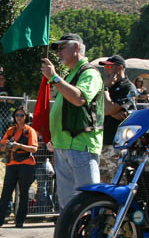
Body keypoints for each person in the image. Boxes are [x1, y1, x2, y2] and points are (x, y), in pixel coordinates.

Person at [40, 33, 104, 211]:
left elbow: (79, 98)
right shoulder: (70, 76)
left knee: (89, 201)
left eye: (62, 47)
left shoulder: (89, 72)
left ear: (76, 48)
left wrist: (54, 78)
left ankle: (95, 236)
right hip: (64, 146)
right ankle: (72, 236)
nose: (58, 52)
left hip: (81, 144)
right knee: (69, 206)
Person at [0, 105, 38, 228]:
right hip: (12, 164)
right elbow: (2, 146)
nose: (19, 118)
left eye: (21, 115)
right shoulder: (11, 130)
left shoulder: (29, 130)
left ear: (26, 117)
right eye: (17, 115)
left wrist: (19, 146)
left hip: (26, 165)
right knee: (6, 192)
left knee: (23, 193)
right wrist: (7, 146)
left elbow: (34, 148)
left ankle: (19, 221)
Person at [98, 55, 136, 182]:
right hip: (102, 141)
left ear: (120, 67)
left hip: (118, 144)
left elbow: (108, 109)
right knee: (102, 181)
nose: (106, 70)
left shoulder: (127, 87)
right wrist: (110, 111)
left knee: (118, 180)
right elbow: (95, 108)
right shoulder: (109, 87)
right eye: (105, 67)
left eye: (109, 66)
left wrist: (105, 90)